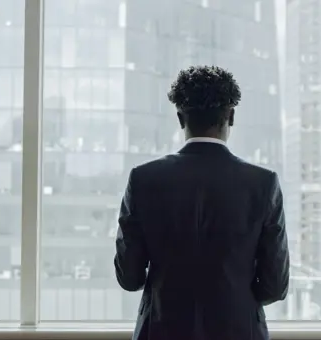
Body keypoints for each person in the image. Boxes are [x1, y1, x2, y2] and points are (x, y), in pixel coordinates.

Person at [114, 65, 290, 340]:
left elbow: (130, 278)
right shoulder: (262, 183)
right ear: (230, 116)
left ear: (180, 118)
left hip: (161, 330)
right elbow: (274, 286)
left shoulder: (144, 179)